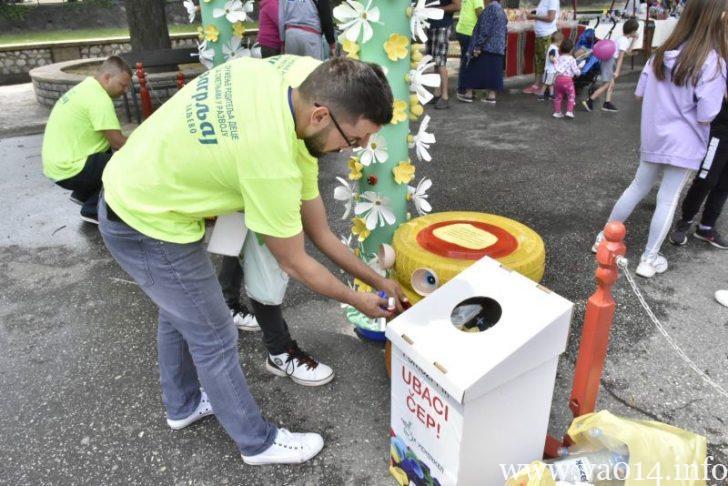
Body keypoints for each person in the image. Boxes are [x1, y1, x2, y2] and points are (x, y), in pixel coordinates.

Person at [99, 56, 404, 465]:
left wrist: (378, 281)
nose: (358, 148)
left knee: (179, 311)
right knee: (215, 335)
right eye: (355, 138)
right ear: (320, 115)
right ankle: (257, 443)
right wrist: (357, 300)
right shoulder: (271, 161)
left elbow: (321, 233)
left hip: (137, 186)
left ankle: (183, 405)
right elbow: (295, 262)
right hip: (144, 221)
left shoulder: (282, 81)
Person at [592, 0, 727, 278]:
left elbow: (639, 94)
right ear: (720, 18)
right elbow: (707, 114)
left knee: (637, 187)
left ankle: (603, 240)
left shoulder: (661, 53)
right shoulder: (713, 61)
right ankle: (649, 259)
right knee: (667, 199)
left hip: (654, 136)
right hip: (685, 142)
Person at [41, 56, 130, 224]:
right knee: (125, 163)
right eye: (123, 85)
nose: (125, 90)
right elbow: (118, 142)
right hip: (69, 169)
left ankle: (84, 194)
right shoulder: (99, 99)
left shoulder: (86, 88)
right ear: (107, 77)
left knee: (106, 150)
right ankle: (92, 209)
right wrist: (145, 147)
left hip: (56, 166)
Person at [669, 93, 728, 249]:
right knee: (705, 180)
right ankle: (684, 222)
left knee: (724, 185)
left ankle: (706, 227)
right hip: (720, 133)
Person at [582, 18, 640, 113]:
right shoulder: (624, 41)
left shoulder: (620, 38)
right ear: (633, 31)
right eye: (636, 31)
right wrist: (617, 71)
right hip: (610, 61)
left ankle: (607, 103)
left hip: (608, 60)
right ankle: (590, 100)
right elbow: (621, 57)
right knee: (607, 84)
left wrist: (634, 40)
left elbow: (628, 52)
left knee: (611, 83)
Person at [462, 0, 508, 104]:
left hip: (487, 46)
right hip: (498, 47)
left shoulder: (490, 8)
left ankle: (469, 94)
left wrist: (478, 46)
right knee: (494, 73)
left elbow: (484, 30)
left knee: (473, 68)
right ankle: (491, 96)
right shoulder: (500, 9)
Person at [427, 0, 461, 109]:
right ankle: (437, 94)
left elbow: (458, 5)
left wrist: (439, 9)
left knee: (440, 62)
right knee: (434, 62)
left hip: (443, 26)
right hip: (431, 25)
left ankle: (445, 97)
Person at [523, 0, 560, 95]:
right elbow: (544, 12)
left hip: (547, 35)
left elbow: (550, 17)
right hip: (541, 35)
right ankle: (536, 85)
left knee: (548, 62)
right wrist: (534, 13)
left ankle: (546, 87)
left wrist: (533, 16)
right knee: (539, 61)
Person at [455, 0, 484, 102]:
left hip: (462, 30)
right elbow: (479, 13)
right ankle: (465, 90)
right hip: (469, 31)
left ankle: (464, 88)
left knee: (465, 60)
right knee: (469, 61)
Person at [552, 38, 580, 119]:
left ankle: (557, 112)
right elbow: (576, 71)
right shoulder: (572, 59)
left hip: (558, 80)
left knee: (558, 97)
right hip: (567, 81)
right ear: (571, 50)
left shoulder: (558, 58)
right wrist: (579, 71)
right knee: (571, 96)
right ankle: (569, 112)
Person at [537, 31, 563, 102]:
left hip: (553, 70)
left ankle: (551, 95)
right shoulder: (553, 49)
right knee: (546, 83)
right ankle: (541, 95)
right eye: (561, 41)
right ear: (559, 41)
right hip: (549, 70)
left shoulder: (554, 48)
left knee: (551, 83)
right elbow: (551, 58)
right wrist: (557, 61)